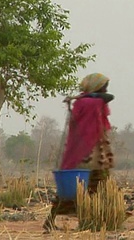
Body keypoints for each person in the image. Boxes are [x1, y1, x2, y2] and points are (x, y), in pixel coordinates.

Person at [43, 73, 115, 231]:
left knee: (86, 189)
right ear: (96, 87)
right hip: (88, 153)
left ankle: (88, 222)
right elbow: (107, 98)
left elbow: (109, 97)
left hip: (91, 151)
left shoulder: (85, 101)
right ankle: (87, 223)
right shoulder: (91, 102)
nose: (106, 90)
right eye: (103, 86)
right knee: (86, 189)